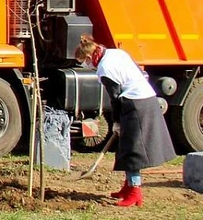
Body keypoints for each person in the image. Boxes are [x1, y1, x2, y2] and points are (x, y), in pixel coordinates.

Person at [74, 35, 175, 207]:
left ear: (90, 57)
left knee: (132, 151)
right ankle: (127, 187)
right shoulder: (115, 53)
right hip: (144, 98)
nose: (86, 66)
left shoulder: (105, 68)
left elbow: (115, 99)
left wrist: (117, 123)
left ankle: (135, 192)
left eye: (84, 62)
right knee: (126, 148)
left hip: (136, 104)